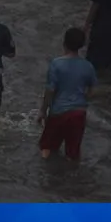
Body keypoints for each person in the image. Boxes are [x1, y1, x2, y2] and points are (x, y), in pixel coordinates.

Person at [38, 28, 97, 161]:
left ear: (64, 43)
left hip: (59, 112)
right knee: (73, 153)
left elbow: (50, 90)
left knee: (47, 147)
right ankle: (73, 172)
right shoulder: (88, 66)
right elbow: (93, 91)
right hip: (79, 113)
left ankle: (44, 171)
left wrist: (43, 111)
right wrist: (83, 100)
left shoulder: (56, 64)